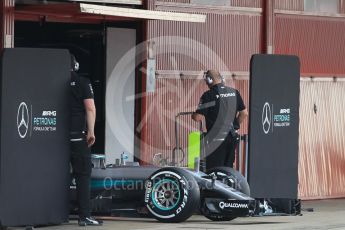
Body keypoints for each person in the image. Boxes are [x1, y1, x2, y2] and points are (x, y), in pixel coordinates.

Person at [192, 70, 248, 171]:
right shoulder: (234, 92)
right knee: (228, 170)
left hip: (216, 138)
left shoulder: (208, 95)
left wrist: (193, 114)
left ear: (209, 80)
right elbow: (244, 113)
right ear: (221, 78)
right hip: (232, 136)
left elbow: (197, 117)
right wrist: (235, 126)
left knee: (214, 171)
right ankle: (228, 186)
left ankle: (215, 187)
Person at [70, 54, 101, 226]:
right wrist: (91, 131)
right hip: (77, 136)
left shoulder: (51, 80)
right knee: (82, 175)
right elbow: (90, 108)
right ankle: (84, 216)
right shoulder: (82, 82)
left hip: (53, 137)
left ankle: (52, 212)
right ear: (75, 65)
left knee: (55, 175)